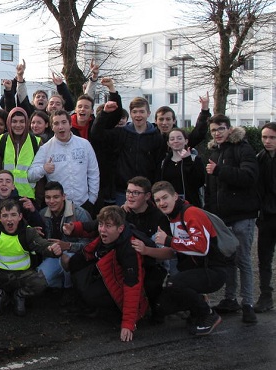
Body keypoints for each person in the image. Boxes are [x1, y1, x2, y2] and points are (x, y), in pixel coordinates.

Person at [150, 181, 231, 335]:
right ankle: (196, 310)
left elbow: (201, 247)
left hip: (213, 270)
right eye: (158, 200)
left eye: (165, 197)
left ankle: (208, 314)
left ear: (175, 196)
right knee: (162, 306)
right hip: (196, 270)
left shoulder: (191, 213)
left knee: (175, 283)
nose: (162, 203)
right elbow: (174, 250)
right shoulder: (170, 217)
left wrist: (168, 240)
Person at [201, 114, 260, 323]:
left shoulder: (243, 148)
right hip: (222, 218)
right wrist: (210, 212)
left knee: (243, 260)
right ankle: (230, 299)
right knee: (228, 260)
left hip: (243, 215)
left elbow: (249, 177)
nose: (217, 133)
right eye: (214, 130)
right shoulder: (215, 152)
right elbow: (211, 188)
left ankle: (248, 304)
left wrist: (219, 170)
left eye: (221, 129)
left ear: (229, 129)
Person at [65, 206, 149, 342]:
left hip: (121, 284)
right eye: (101, 225)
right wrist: (73, 228)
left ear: (120, 229)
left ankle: (111, 312)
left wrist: (128, 324)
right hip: (107, 272)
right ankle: (84, 304)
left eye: (108, 226)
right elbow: (90, 226)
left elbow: (132, 285)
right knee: (76, 261)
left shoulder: (129, 249)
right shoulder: (105, 229)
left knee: (91, 295)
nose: (102, 229)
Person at [92, 95, 165, 206]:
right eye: (135, 112)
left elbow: (158, 167)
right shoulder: (120, 133)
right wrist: (104, 113)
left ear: (148, 113)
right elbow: (96, 134)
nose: (138, 115)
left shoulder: (156, 137)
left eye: (142, 111)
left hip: (146, 193)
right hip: (123, 192)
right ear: (130, 114)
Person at [28, 110, 99, 213]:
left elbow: (93, 173)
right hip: (58, 208)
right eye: (56, 123)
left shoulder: (84, 144)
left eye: (64, 122)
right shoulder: (45, 149)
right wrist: (43, 169)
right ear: (52, 127)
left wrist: (92, 199)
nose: (60, 127)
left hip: (84, 204)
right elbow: (30, 175)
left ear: (70, 124)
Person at [37, 182, 92, 294]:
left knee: (67, 259)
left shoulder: (80, 214)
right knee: (40, 279)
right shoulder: (42, 214)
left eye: (56, 197)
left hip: (75, 255)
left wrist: (68, 246)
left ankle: (70, 290)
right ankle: (60, 286)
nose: (51, 201)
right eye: (48, 197)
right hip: (53, 255)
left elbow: (89, 244)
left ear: (64, 197)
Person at [0, 107, 41, 200]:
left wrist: (38, 200)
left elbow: (40, 173)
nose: (18, 125)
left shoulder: (36, 141)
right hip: (5, 196)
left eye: (22, 121)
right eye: (14, 121)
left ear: (27, 123)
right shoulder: (1, 140)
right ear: (9, 123)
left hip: (28, 197)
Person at [255, 122, 276, 312]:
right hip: (267, 216)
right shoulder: (260, 158)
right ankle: (265, 295)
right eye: (264, 137)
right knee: (264, 258)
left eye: (272, 137)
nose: (267, 141)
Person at [159, 128, 205, 207]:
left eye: (179, 138)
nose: (176, 141)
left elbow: (199, 182)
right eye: (172, 139)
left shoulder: (194, 159)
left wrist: (187, 160)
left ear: (186, 141)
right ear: (168, 143)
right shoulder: (164, 163)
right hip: (171, 205)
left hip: (191, 204)